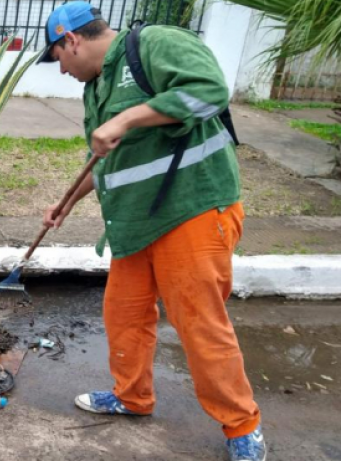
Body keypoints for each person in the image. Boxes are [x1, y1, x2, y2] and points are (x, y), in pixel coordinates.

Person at [36, 3, 264, 460]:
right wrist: (67, 202)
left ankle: (241, 425)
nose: (61, 70)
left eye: (57, 57)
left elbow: (210, 91)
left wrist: (126, 118)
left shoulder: (154, 44)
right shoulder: (97, 86)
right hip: (135, 222)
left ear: (72, 40)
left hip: (191, 210)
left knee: (199, 324)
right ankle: (131, 396)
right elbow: (106, 160)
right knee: (124, 315)